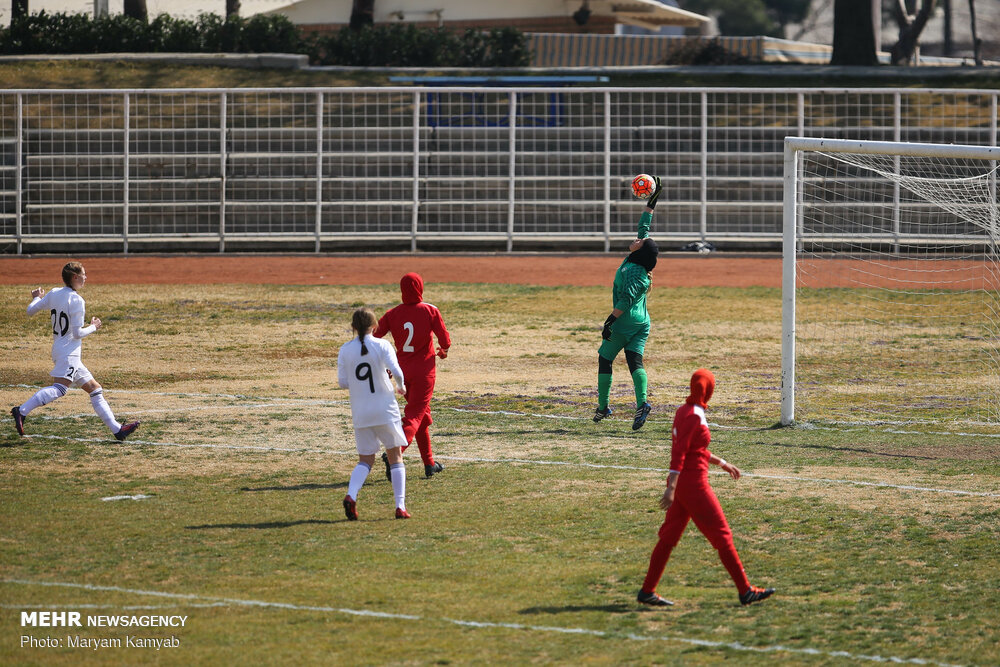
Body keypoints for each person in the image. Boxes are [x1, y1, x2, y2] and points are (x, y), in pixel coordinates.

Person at [637, 368, 775, 607]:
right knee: (723, 535)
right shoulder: (694, 415)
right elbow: (680, 453)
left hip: (684, 486)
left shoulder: (684, 410)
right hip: (694, 486)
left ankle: (647, 590)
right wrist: (671, 487)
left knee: (668, 537)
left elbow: (695, 449)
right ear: (708, 390)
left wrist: (722, 463)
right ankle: (745, 591)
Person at [10, 261, 140, 442]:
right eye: (83, 274)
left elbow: (30, 310)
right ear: (75, 277)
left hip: (61, 350)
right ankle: (21, 410)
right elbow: (78, 333)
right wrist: (94, 327)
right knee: (60, 389)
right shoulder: (77, 300)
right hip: (69, 353)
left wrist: (36, 297)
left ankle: (118, 430)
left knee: (94, 389)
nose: (86, 278)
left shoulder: (54, 293)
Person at [594, 176, 662, 431]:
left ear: (640, 250)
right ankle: (642, 404)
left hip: (625, 321)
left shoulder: (634, 271)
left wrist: (610, 321)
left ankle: (603, 407)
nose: (637, 240)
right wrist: (652, 202)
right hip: (642, 324)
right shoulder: (640, 260)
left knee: (605, 358)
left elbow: (627, 299)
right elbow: (644, 227)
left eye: (640, 242)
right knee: (635, 361)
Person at [373, 272, 452, 479]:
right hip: (424, 372)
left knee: (422, 417)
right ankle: (395, 453)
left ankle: (429, 463)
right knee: (415, 416)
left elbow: (375, 336)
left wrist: (385, 360)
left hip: (401, 371)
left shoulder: (392, 313)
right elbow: (445, 340)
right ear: (420, 288)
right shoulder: (430, 310)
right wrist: (443, 350)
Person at [338, 307, 410, 520]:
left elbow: (343, 382)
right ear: (375, 326)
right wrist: (401, 387)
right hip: (385, 409)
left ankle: (351, 495)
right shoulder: (382, 345)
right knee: (395, 457)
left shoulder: (345, 349)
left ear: (353, 327)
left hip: (361, 412)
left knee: (365, 459)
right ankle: (400, 506)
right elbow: (397, 371)